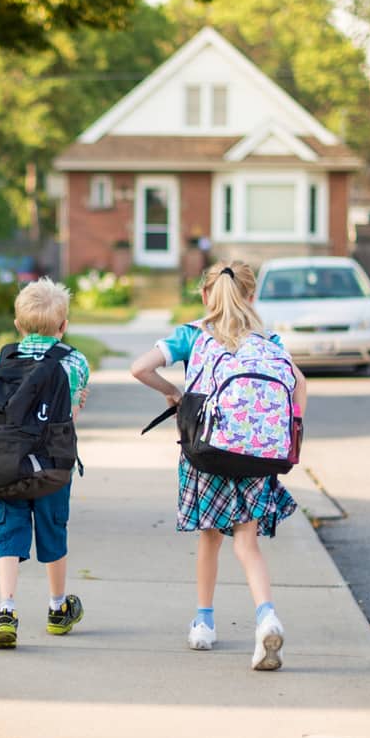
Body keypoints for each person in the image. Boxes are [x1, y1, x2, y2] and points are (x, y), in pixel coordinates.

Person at [129, 260, 307, 671]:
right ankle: (266, 617)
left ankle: (204, 624)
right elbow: (298, 383)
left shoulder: (192, 335)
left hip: (208, 451)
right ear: (251, 296)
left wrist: (174, 393)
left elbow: (140, 367)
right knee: (248, 542)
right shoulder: (269, 339)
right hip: (259, 454)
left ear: (206, 295)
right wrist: (289, 431)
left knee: (210, 537)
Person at [0, 278, 91, 650]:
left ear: (18, 325)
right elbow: (70, 415)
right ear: (63, 326)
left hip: (9, 462)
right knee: (52, 530)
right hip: (52, 465)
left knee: (8, 532)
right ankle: (57, 607)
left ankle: (6, 609)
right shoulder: (74, 361)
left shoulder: (4, 357)